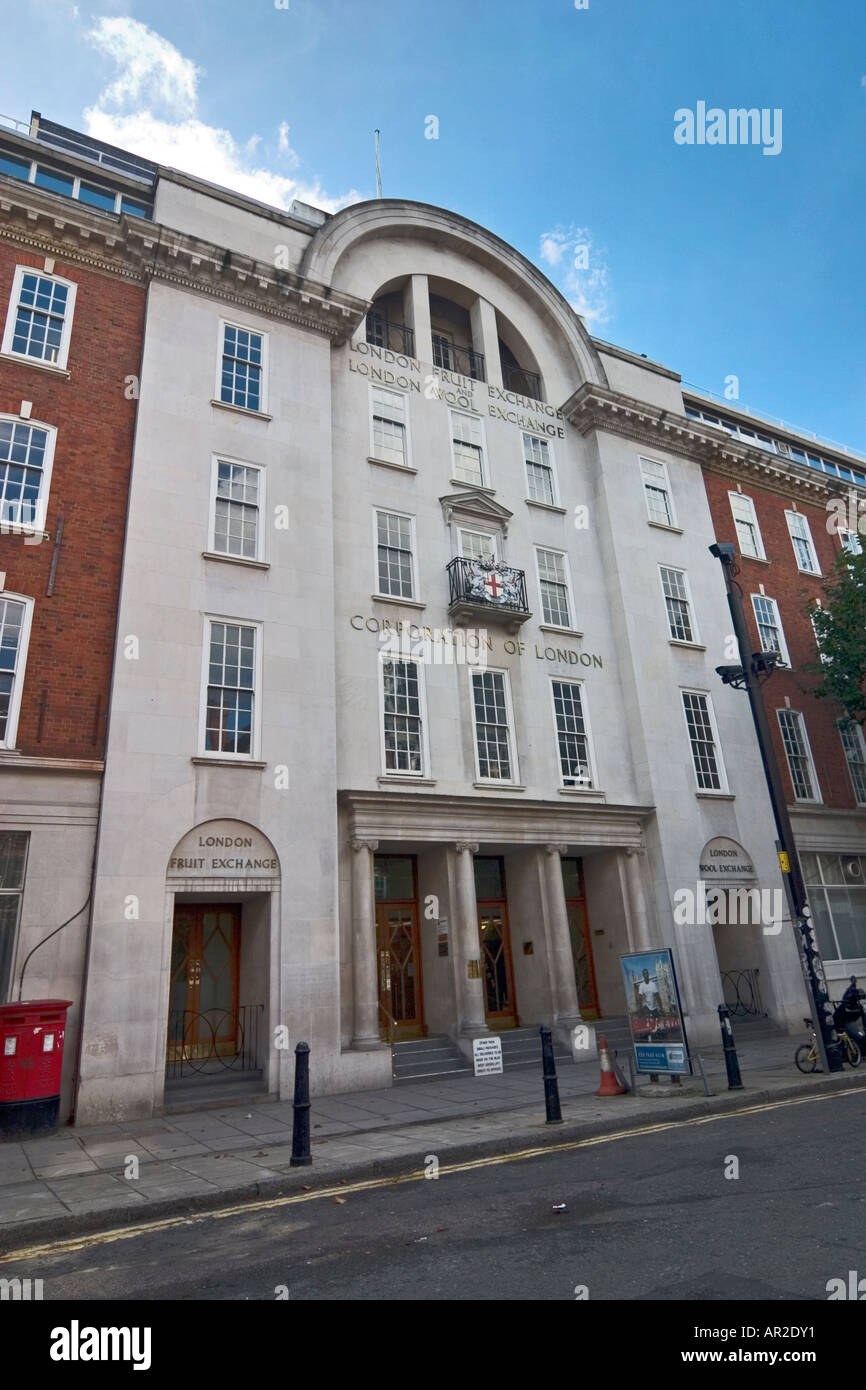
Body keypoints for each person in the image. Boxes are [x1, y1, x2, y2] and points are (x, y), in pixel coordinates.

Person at [835, 976, 866, 1056]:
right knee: (857, 1034)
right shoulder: (855, 1004)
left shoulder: (856, 1004)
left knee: (857, 1034)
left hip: (848, 1021)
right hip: (847, 1021)